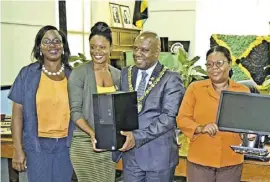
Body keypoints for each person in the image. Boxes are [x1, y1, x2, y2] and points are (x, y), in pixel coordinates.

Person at [113, 31, 185, 182]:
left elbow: (168, 118)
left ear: (157, 52)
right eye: (136, 48)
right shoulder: (126, 73)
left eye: (144, 50)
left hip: (159, 157)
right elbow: (121, 110)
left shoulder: (171, 79)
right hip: (131, 157)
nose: (138, 53)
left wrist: (136, 137)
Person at [8, 25, 74, 181]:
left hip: (66, 147)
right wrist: (17, 149)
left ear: (63, 46)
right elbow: (17, 116)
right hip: (36, 147)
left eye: (57, 41)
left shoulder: (74, 75)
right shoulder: (27, 74)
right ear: (39, 47)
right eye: (47, 41)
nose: (53, 45)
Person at [176, 45, 251, 182]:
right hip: (200, 161)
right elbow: (182, 119)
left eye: (219, 63)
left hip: (231, 160)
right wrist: (200, 128)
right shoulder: (195, 88)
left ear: (230, 64)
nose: (214, 68)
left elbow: (248, 122)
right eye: (209, 64)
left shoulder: (243, 91)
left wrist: (249, 132)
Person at [68, 22, 120, 182]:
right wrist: (92, 134)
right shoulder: (78, 74)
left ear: (111, 48)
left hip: (109, 145)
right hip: (85, 143)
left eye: (102, 47)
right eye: (93, 47)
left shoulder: (118, 75)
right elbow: (75, 112)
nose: (97, 52)